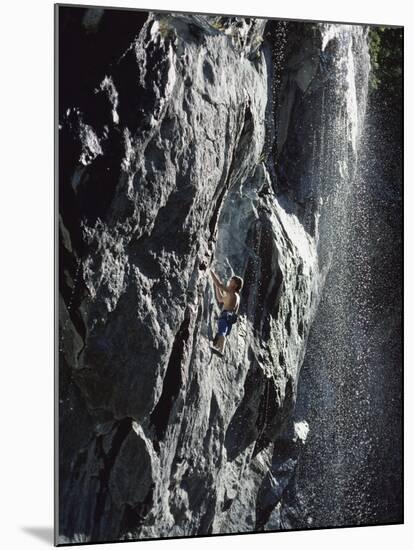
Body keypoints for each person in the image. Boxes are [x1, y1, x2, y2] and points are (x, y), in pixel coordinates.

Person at [210, 268, 243, 357]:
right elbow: (220, 299)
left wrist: (211, 271)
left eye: (231, 281)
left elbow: (219, 284)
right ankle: (218, 348)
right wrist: (216, 286)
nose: (229, 282)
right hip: (231, 318)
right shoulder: (237, 297)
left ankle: (221, 351)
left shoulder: (231, 291)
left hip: (225, 315)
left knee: (222, 332)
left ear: (235, 285)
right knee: (222, 333)